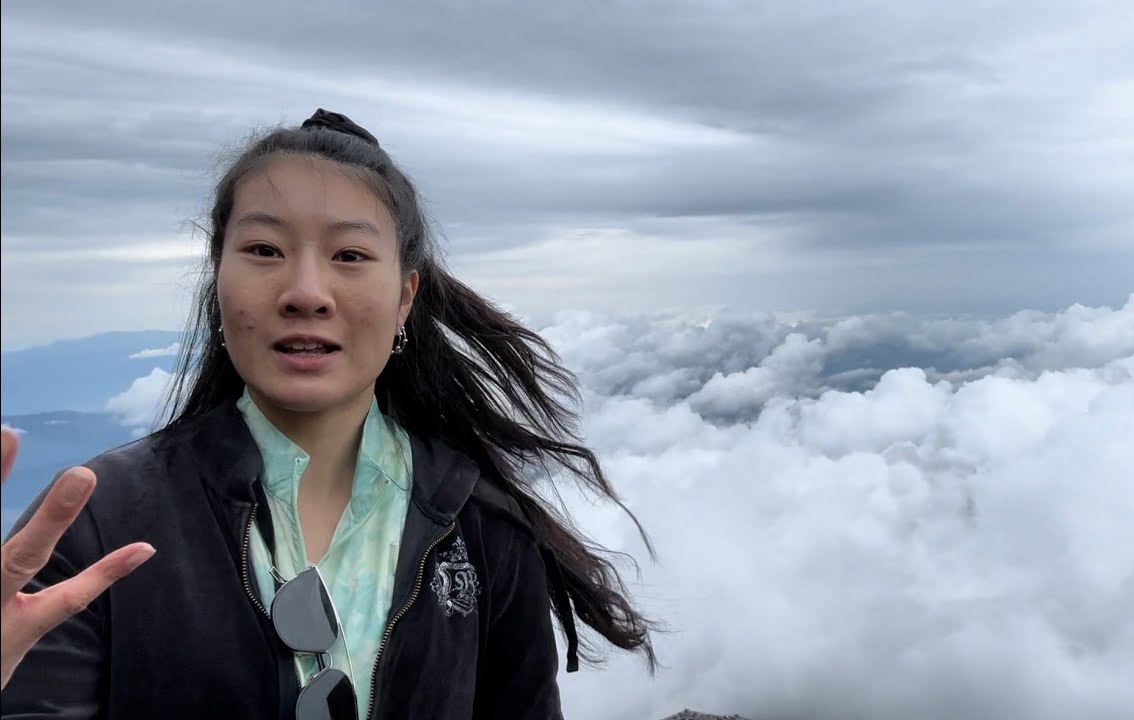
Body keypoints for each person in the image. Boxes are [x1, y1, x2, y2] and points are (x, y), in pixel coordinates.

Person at [0, 109, 656, 719]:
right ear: (218, 280)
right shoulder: (94, 526)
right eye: (263, 250)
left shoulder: (484, 531)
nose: (306, 293)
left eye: (348, 256)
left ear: (404, 299)